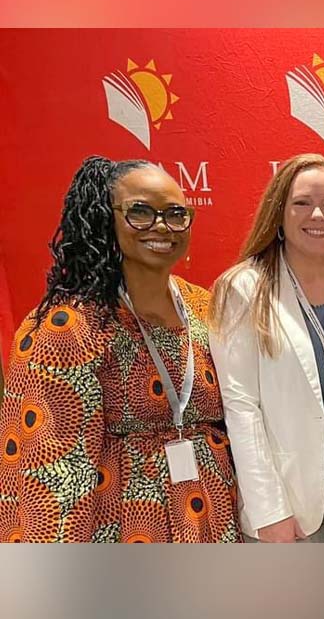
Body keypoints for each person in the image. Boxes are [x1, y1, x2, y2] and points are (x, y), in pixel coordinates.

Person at [0, 156, 239, 542]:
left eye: (176, 214)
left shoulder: (203, 307)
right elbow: (53, 473)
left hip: (213, 516)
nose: (161, 226)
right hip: (124, 526)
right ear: (103, 219)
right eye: (140, 212)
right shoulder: (69, 326)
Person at [210, 154, 324, 542]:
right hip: (289, 490)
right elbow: (241, 405)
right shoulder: (243, 289)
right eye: (302, 203)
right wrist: (268, 508)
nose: (318, 215)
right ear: (279, 213)